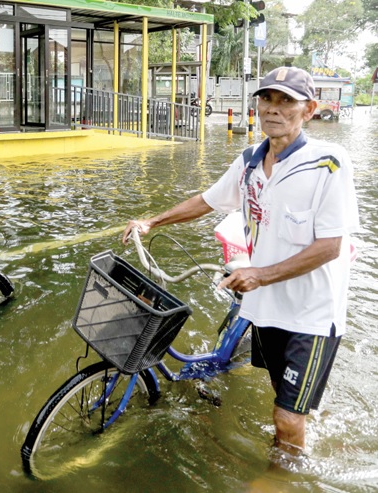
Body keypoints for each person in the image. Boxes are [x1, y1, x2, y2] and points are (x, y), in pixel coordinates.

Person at [122, 66, 360, 460]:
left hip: (313, 312)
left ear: (310, 109)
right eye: (267, 98)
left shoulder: (330, 163)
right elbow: (207, 201)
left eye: (287, 101)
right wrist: (151, 221)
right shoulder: (250, 160)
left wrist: (260, 273)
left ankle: (282, 478)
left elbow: (331, 246)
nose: (273, 108)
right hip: (265, 307)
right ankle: (297, 428)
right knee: (281, 397)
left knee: (284, 414)